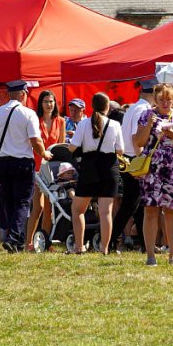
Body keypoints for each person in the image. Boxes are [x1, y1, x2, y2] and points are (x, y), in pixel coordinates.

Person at [0, 80, 52, 253]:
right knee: (22, 203)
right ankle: (13, 238)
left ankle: (18, 242)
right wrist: (44, 154)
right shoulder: (28, 114)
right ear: (23, 93)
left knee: (9, 202)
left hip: (2, 162)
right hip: (22, 162)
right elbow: (36, 141)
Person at [133, 82, 173, 266]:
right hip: (152, 170)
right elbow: (140, 142)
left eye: (169, 99)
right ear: (155, 100)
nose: (165, 103)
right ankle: (150, 255)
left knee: (172, 211)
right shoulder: (146, 116)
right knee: (150, 211)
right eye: (161, 99)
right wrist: (149, 125)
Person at [64, 92, 123, 255]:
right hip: (110, 167)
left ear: (92, 106)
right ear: (107, 107)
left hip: (90, 167)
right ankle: (104, 249)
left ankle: (79, 246)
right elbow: (120, 150)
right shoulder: (114, 124)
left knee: (77, 209)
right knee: (106, 212)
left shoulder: (84, 124)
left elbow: (72, 147)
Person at [110, 78, 155, 253]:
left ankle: (145, 243)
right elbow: (136, 137)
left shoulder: (134, 108)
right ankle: (110, 240)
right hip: (135, 159)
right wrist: (141, 160)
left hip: (129, 159)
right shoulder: (142, 109)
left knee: (137, 205)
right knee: (131, 204)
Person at [25, 89, 64, 251]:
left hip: (52, 168)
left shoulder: (60, 121)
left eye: (51, 101)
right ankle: (28, 243)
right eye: (46, 101)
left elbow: (61, 147)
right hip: (36, 167)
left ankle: (45, 242)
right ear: (41, 104)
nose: (49, 104)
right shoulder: (34, 120)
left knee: (49, 207)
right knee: (38, 206)